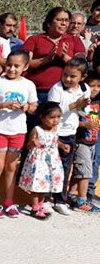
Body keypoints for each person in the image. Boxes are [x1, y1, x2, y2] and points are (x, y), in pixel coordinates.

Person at [0, 52, 38, 218]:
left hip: (18, 131)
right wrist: (3, 105)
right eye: (9, 65)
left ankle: (8, 201)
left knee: (11, 167)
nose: (12, 69)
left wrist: (26, 108)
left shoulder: (29, 85)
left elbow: (34, 106)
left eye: (17, 66)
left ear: (25, 67)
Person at [48, 57, 90, 216]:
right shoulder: (57, 89)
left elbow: (81, 112)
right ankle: (45, 199)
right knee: (49, 166)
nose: (67, 78)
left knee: (65, 168)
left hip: (70, 134)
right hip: (53, 133)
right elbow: (52, 112)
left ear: (82, 77)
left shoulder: (84, 89)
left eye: (73, 76)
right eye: (65, 74)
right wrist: (75, 105)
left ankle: (59, 200)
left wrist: (83, 108)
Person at [22, 7, 86, 104]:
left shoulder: (74, 40)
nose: (64, 23)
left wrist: (66, 58)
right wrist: (46, 59)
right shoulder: (34, 39)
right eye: (59, 20)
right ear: (48, 23)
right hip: (38, 92)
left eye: (66, 20)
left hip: (65, 92)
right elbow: (23, 64)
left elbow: (81, 64)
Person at [18, 102, 64, 220]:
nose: (56, 120)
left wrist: (63, 146)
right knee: (37, 184)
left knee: (46, 184)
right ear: (42, 117)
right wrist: (33, 143)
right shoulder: (37, 129)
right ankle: (34, 208)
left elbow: (54, 141)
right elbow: (28, 146)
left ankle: (40, 205)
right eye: (52, 117)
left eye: (58, 117)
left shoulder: (56, 129)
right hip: (39, 161)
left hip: (52, 160)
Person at [69, 71, 100, 212]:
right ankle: (82, 200)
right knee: (85, 171)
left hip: (92, 141)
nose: (95, 89)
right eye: (91, 85)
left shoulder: (97, 103)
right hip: (81, 140)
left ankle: (71, 195)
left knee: (81, 171)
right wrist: (85, 125)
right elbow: (72, 121)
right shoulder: (81, 101)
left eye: (98, 86)